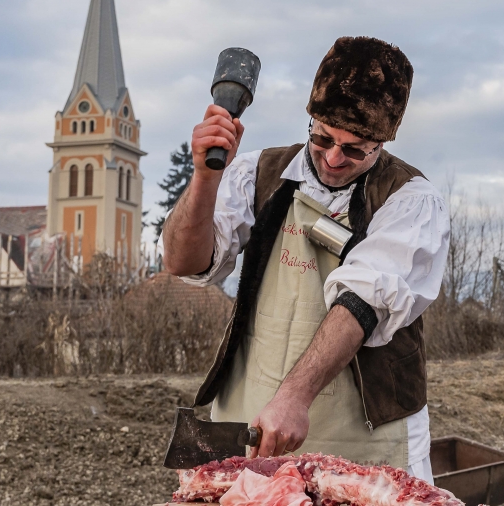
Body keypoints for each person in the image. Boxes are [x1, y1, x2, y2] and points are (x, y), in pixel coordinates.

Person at [162, 37, 448, 482]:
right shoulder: (257, 173)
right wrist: (205, 178)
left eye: (355, 148)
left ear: (382, 142)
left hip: (364, 441)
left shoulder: (411, 199)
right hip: (252, 419)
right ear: (310, 119)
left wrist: (294, 397)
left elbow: (363, 300)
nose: (334, 157)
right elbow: (185, 262)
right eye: (323, 137)